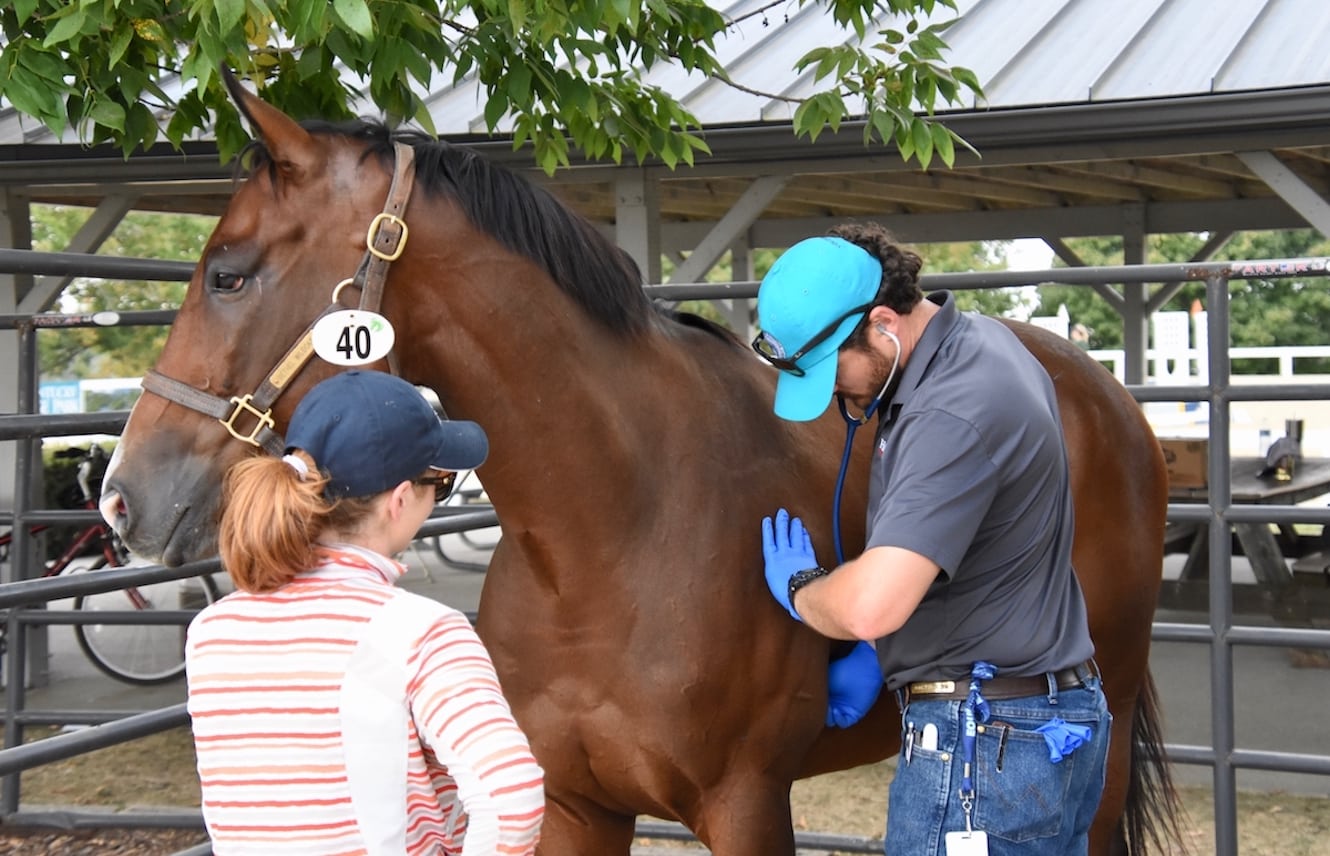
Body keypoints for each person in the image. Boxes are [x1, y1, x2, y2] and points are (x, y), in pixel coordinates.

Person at [751, 224, 1110, 856]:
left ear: (883, 324)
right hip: (1041, 725)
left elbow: (870, 606)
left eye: (832, 370)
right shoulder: (983, 344)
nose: (832, 391)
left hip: (987, 744)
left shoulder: (950, 409)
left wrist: (803, 590)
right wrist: (881, 654)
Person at [185, 370, 544, 855]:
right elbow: (512, 799)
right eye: (439, 482)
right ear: (400, 499)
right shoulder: (424, 635)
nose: (438, 495)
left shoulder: (211, 632)